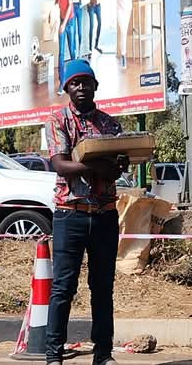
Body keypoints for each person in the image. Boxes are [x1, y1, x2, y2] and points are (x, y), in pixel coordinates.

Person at [44, 59, 125, 365]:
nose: (80, 87)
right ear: (66, 88)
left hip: (105, 215)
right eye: (74, 83)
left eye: (85, 81)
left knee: (103, 288)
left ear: (95, 86)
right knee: (63, 287)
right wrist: (96, 167)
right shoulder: (58, 120)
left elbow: (116, 169)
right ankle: (54, 354)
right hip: (70, 215)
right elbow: (60, 164)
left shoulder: (109, 124)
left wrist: (117, 166)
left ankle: (103, 354)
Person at [54, 0, 78, 95]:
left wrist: (63, 24)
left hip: (69, 21)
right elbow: (57, 0)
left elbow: (70, 5)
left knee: (73, 51)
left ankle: (75, 79)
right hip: (62, 21)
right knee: (61, 53)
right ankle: (62, 83)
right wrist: (54, 17)